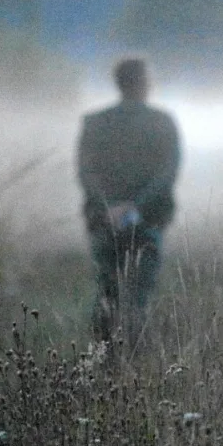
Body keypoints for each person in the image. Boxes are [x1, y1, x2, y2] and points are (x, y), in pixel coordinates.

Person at [76, 58, 182, 343]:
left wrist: (108, 207)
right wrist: (136, 206)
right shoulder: (162, 123)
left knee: (107, 292)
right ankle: (135, 362)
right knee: (138, 296)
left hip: (103, 220)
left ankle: (102, 360)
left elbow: (86, 172)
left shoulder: (94, 123)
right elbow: (167, 173)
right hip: (149, 219)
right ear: (144, 83)